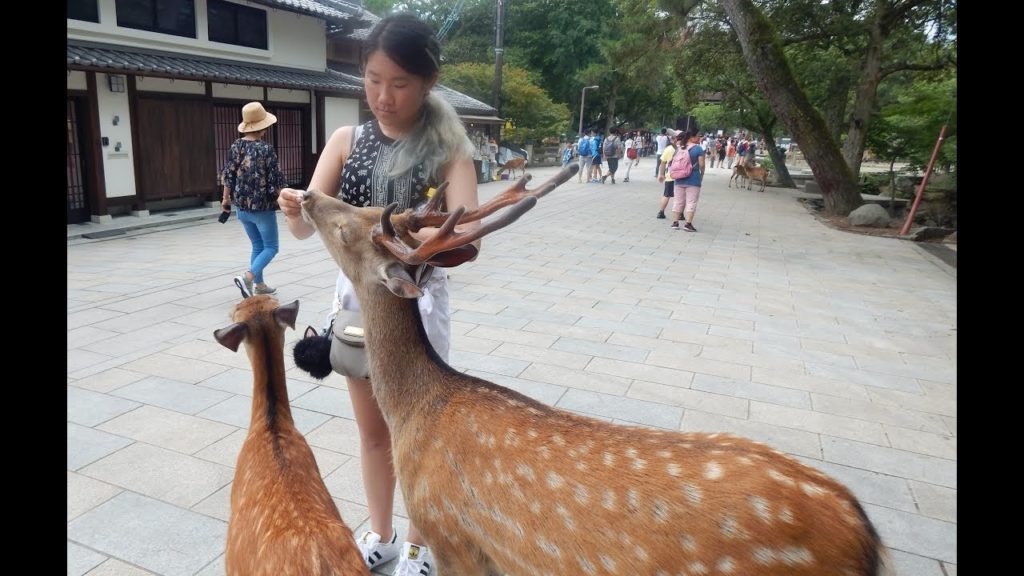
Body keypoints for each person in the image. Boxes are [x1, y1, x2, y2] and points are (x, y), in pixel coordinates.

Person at [276, 14, 480, 576]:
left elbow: (467, 240)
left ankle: (418, 545)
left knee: (415, 431)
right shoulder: (347, 140)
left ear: (428, 82)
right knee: (371, 431)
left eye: (399, 83)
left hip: (416, 300)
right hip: (356, 300)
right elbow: (303, 228)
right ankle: (383, 534)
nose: (383, 97)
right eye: (372, 80)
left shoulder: (449, 150)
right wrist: (295, 209)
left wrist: (415, 240)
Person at [222, 101, 285, 297]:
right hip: (262, 208)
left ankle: (259, 285)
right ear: (263, 126)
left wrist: (225, 200)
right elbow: (276, 181)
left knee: (258, 245)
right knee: (271, 247)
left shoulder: (236, 146)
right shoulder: (266, 149)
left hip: (241, 207)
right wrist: (287, 202)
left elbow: (228, 175)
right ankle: (247, 277)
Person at [667, 130, 706, 232]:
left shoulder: (680, 147)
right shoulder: (698, 148)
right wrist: (702, 174)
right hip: (693, 179)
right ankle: (688, 224)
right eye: (698, 136)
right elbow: (701, 165)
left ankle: (675, 223)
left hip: (679, 178)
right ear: (691, 137)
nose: (699, 138)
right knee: (691, 202)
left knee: (678, 201)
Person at [655, 131, 682, 219]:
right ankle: (680, 214)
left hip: (670, 175)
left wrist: (661, 174)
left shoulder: (669, 149)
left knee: (666, 195)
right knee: (681, 196)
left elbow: (663, 163)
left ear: (673, 140)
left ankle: (661, 212)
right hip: (682, 176)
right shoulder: (685, 149)